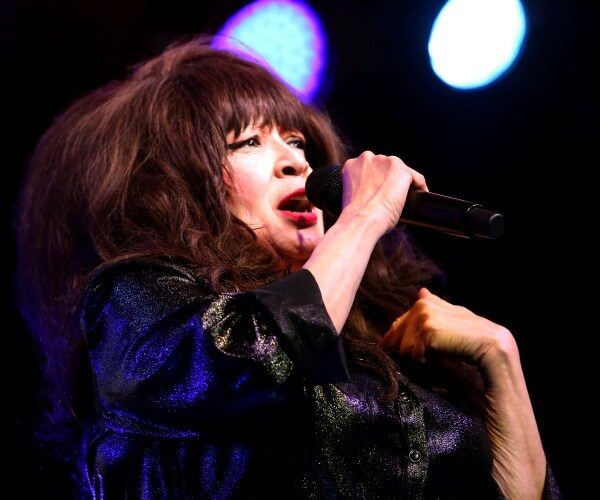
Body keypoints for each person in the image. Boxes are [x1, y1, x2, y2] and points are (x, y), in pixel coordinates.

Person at [15, 34, 562, 499]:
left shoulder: (384, 342)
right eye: (248, 142)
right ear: (172, 186)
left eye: (297, 141)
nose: (297, 161)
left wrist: (500, 358)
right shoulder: (135, 302)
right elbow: (244, 365)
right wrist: (366, 215)